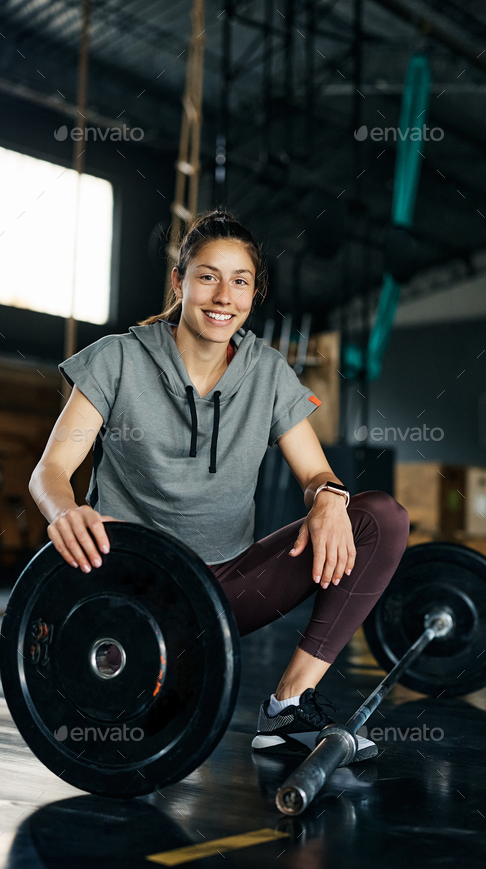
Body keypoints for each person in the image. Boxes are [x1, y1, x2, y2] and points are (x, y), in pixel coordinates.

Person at [29, 208, 409, 767]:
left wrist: (329, 498)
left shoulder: (267, 373)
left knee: (381, 518)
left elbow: (315, 473)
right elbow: (50, 472)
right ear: (180, 282)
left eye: (240, 281)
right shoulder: (118, 359)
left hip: (220, 593)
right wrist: (64, 513)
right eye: (208, 276)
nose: (222, 295)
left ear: (254, 296)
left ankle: (286, 708)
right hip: (129, 586)